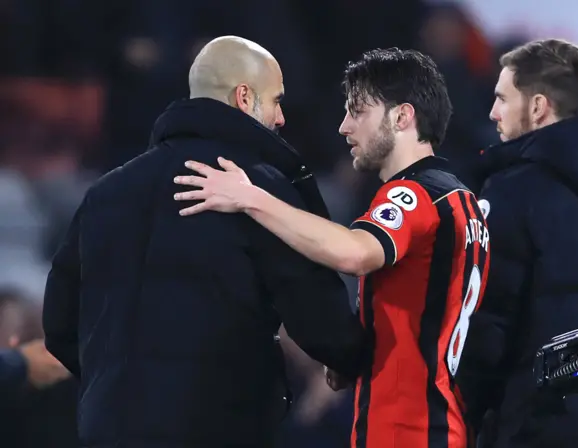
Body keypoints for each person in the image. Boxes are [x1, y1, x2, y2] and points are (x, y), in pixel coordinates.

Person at [42, 36, 366, 448]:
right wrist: (350, 357)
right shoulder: (252, 190)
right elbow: (318, 313)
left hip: (106, 428)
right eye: (275, 100)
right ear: (244, 97)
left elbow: (59, 324)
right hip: (216, 426)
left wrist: (113, 385)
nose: (282, 117)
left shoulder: (105, 192)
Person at [174, 47, 491, 448]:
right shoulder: (463, 201)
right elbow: (421, 307)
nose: (344, 126)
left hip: (406, 431)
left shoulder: (414, 195)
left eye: (358, 111)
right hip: (442, 423)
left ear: (402, 117)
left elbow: (354, 253)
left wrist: (249, 197)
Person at [454, 38, 578, 448]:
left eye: (501, 98)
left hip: (536, 424)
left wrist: (466, 417)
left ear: (537, 107)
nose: (493, 113)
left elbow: (489, 328)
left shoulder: (512, 190)